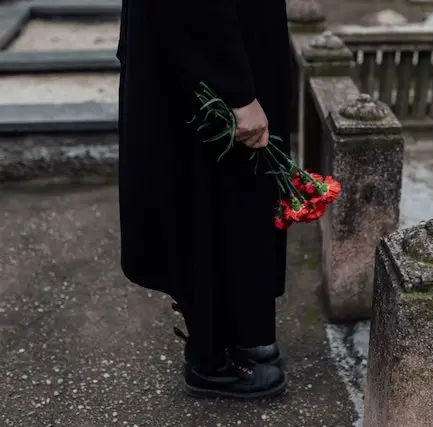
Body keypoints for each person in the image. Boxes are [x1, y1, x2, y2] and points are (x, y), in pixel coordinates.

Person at [116, 0, 291, 400]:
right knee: (206, 195)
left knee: (235, 193)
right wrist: (236, 91)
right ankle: (211, 359)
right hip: (203, 62)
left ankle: (243, 329)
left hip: (231, 42)